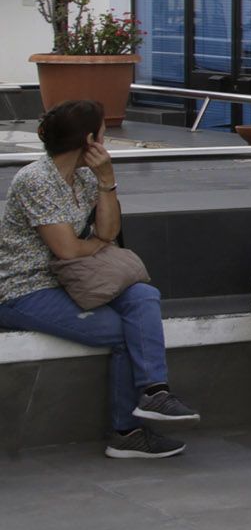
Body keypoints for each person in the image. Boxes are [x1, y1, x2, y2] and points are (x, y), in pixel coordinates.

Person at [0, 100, 197, 458]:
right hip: (24, 289)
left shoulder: (88, 177)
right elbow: (69, 250)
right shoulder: (35, 179)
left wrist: (107, 181)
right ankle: (126, 432)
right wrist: (94, 244)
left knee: (143, 295)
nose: (108, 138)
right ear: (90, 138)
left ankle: (155, 391)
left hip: (74, 279)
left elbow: (108, 230)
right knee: (124, 332)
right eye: (105, 132)